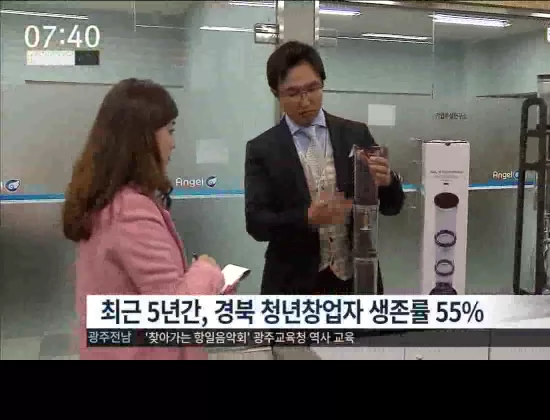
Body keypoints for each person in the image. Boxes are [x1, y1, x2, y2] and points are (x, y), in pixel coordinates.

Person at [63, 78, 230, 360]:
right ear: (142, 138)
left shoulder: (108, 201)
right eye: (170, 131)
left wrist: (208, 284)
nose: (173, 144)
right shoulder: (130, 212)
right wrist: (206, 270)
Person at [244, 41, 405, 295]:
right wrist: (307, 218)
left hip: (355, 279)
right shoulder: (262, 149)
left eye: (312, 88)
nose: (305, 100)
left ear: (322, 83)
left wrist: (387, 183)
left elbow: (392, 207)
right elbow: (256, 223)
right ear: (276, 93)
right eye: (293, 93)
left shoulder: (355, 133)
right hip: (293, 285)